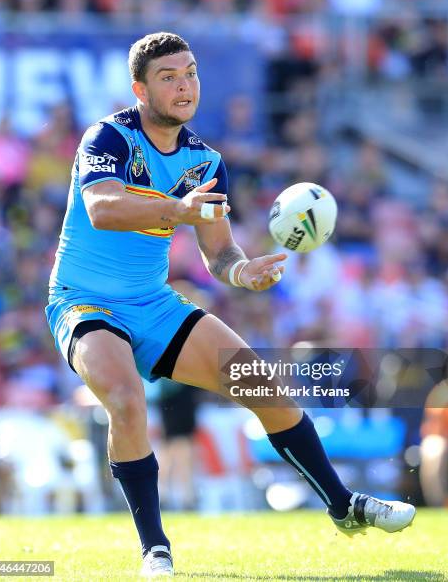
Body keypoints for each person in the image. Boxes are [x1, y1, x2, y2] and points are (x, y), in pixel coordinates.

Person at [45, 32, 415, 578]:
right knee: (124, 398)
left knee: (260, 384)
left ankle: (344, 505)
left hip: (154, 303)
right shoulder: (109, 137)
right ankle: (155, 549)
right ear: (140, 89)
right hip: (83, 301)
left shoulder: (206, 160)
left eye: (190, 72)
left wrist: (244, 270)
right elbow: (102, 208)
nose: (184, 85)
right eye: (168, 76)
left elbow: (218, 253)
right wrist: (181, 208)